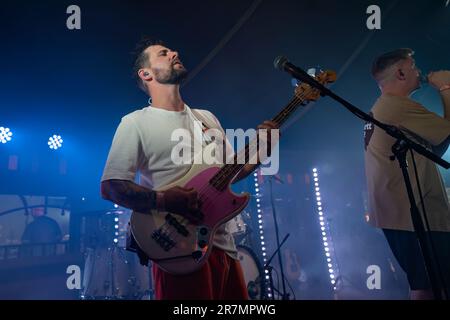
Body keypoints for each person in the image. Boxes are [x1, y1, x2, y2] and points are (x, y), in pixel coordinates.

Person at [100, 38, 278, 300]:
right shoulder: (135, 122)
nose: (174, 52)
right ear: (146, 73)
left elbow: (232, 173)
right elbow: (111, 187)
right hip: (177, 250)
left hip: (224, 247)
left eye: (172, 50)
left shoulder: (207, 118)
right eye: (163, 53)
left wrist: (264, 148)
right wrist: (163, 200)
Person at [364, 48, 450, 299]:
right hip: (413, 217)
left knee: (431, 284)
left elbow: (439, 145)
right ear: (401, 72)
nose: (419, 71)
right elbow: (447, 134)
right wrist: (446, 87)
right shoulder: (397, 106)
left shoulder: (386, 106)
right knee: (428, 287)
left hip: (403, 216)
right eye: (413, 66)